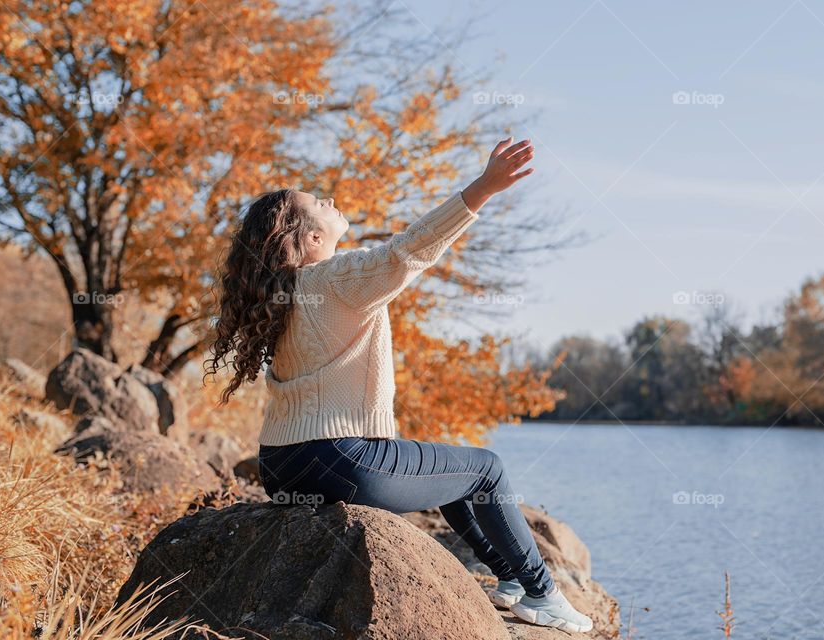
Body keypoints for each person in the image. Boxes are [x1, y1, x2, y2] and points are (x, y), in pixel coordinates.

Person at [206, 137, 593, 633]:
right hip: (341, 459)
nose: (327, 199)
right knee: (487, 469)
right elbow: (408, 250)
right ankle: (543, 594)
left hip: (282, 466)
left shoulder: (282, 293)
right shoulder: (331, 279)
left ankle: (510, 579)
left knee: (451, 474)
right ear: (310, 241)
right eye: (315, 203)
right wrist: (483, 188)